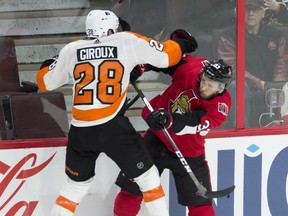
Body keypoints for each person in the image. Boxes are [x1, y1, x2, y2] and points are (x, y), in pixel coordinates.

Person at [36, 10, 197, 216]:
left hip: (80, 131)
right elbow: (166, 56)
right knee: (148, 179)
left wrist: (49, 63)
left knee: (73, 188)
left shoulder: (72, 49)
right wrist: (181, 43)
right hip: (112, 127)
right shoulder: (125, 40)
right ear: (111, 29)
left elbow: (45, 82)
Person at [113, 45, 232, 215]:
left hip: (189, 150)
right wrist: (141, 67)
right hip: (156, 139)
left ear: (221, 88)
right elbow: (164, 60)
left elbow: (193, 122)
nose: (203, 86)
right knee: (131, 191)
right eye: (204, 80)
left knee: (201, 206)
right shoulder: (192, 68)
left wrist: (170, 120)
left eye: (210, 85)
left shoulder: (220, 107)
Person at [218, 0, 288, 127]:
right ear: (239, 12)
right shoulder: (228, 35)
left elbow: (282, 65)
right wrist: (259, 83)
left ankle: (280, 129)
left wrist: (274, 86)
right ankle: (241, 131)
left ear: (263, 13)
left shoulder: (275, 35)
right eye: (247, 9)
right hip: (247, 87)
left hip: (268, 87)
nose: (251, 14)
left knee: (284, 89)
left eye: (256, 10)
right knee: (237, 86)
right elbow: (231, 68)